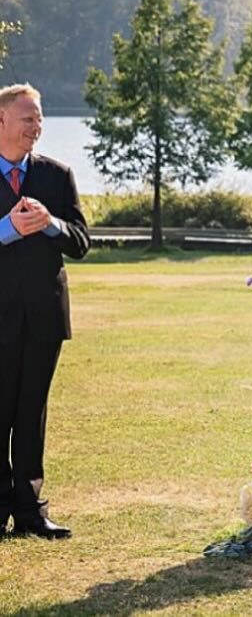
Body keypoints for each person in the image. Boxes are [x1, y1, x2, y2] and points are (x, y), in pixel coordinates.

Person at [0, 83, 89, 539]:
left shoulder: (57, 175)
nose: (36, 126)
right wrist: (7, 229)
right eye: (27, 118)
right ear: (1, 121)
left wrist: (51, 224)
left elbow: (81, 242)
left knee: (31, 413)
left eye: (39, 118)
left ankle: (32, 512)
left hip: (44, 318)